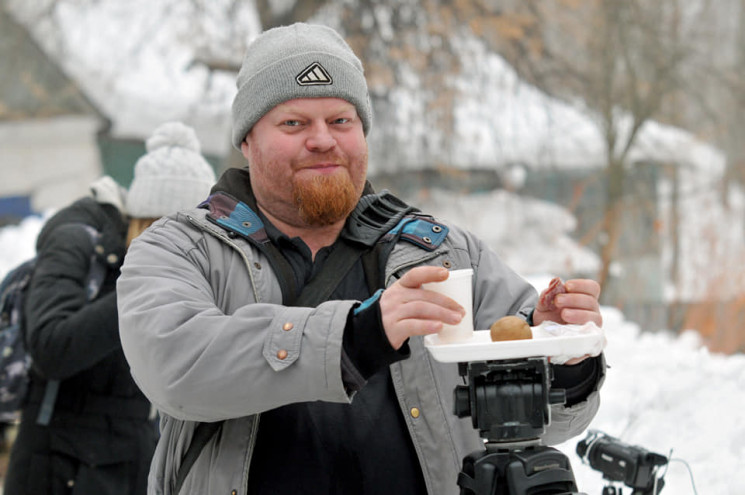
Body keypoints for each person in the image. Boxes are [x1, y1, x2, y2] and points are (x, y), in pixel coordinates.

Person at [116, 23, 606, 495]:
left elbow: (549, 423)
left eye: (340, 121)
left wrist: (563, 355)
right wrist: (357, 337)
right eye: (294, 123)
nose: (323, 139)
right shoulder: (180, 248)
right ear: (247, 140)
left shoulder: (444, 252)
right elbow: (173, 369)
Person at [3, 122, 216, 495]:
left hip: (136, 462)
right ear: (144, 219)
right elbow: (52, 347)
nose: (185, 248)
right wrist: (141, 283)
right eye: (171, 231)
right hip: (56, 469)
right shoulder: (78, 242)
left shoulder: (193, 271)